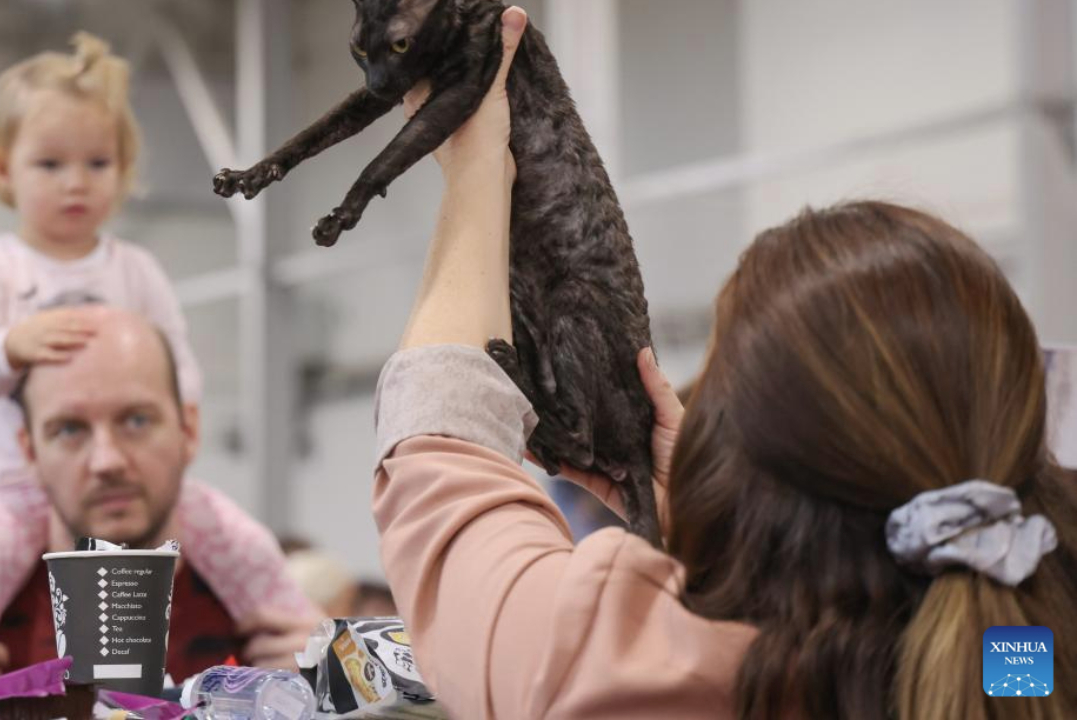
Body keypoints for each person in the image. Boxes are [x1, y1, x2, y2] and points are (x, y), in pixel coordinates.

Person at [370, 6, 1077, 719]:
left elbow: (440, 450)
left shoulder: (628, 668)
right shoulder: (1032, 650)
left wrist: (474, 163)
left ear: (742, 446)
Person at [0, 32, 313, 661]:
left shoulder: (135, 268)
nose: (76, 183)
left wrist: (181, 427)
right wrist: (13, 345)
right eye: (50, 165)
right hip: (18, 487)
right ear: (2, 170)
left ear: (124, 172)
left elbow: (178, 360)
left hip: (158, 482)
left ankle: (308, 638)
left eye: (97, 164)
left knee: (244, 541)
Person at [0, 306, 323, 682]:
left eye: (136, 420)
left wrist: (332, 693)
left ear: (189, 431)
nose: (106, 461)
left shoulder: (286, 643)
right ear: (29, 453)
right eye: (69, 429)